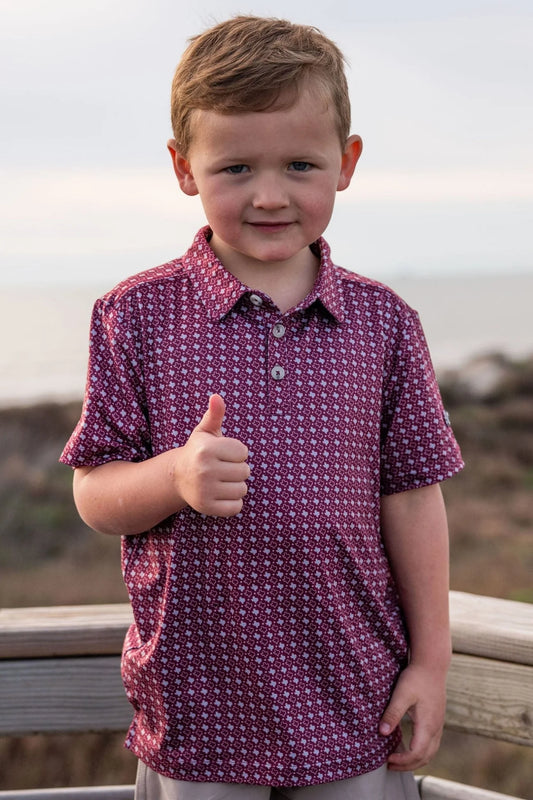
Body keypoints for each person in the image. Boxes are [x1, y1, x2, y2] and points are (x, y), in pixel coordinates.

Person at [61, 15, 464, 800]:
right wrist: (172, 476)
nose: (270, 195)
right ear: (184, 168)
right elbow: (94, 493)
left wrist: (431, 662)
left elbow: (414, 498)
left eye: (300, 164)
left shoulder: (384, 323)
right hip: (197, 708)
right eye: (236, 167)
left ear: (345, 164)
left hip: (356, 702)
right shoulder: (132, 316)